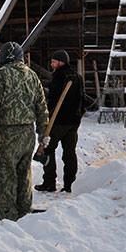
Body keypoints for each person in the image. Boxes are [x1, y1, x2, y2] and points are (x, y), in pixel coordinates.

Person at [0, 42, 48, 221]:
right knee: (23, 174)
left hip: (7, 135)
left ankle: (7, 217)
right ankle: (24, 212)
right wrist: (43, 131)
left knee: (2, 176)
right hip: (27, 134)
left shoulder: (2, 75)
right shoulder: (32, 75)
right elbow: (41, 105)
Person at [35, 49, 85, 193]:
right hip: (73, 122)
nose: (52, 64)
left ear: (61, 62)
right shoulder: (77, 77)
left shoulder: (59, 76)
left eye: (54, 61)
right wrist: (78, 116)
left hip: (58, 121)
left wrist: (47, 119)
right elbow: (82, 99)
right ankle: (70, 184)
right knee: (69, 152)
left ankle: (49, 182)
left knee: (48, 150)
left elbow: (53, 101)